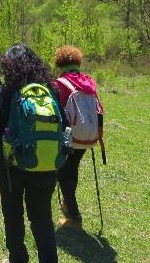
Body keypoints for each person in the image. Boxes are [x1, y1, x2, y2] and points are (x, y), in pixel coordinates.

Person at [0, 43, 69, 263]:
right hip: (46, 164)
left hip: (11, 167)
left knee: (13, 216)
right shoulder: (51, 90)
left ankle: (18, 258)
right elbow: (65, 127)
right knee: (42, 219)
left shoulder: (5, 92)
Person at [52, 45, 104, 229]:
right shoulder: (88, 82)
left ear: (59, 63)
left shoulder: (59, 84)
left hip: (69, 138)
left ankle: (74, 217)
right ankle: (67, 203)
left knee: (64, 174)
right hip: (87, 137)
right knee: (72, 169)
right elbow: (99, 110)